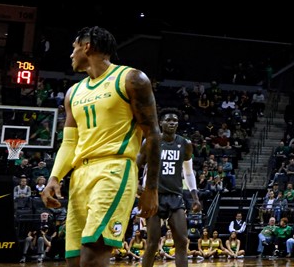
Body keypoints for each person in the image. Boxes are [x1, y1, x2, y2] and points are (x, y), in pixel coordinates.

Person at [41, 26, 161, 267]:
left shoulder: (131, 79)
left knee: (93, 255)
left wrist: (151, 188)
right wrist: (54, 178)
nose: (71, 54)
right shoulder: (73, 92)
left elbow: (153, 134)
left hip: (114, 169)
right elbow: (69, 143)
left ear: (87, 46)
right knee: (74, 259)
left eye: (74, 48)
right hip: (80, 175)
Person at [139, 108, 200, 267]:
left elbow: (188, 173)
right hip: (154, 196)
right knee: (152, 242)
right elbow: (135, 165)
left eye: (175, 120)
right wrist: (138, 187)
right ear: (160, 122)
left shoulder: (185, 144)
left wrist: (195, 197)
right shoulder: (151, 141)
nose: (172, 123)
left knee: (182, 241)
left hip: (175, 196)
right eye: (168, 120)